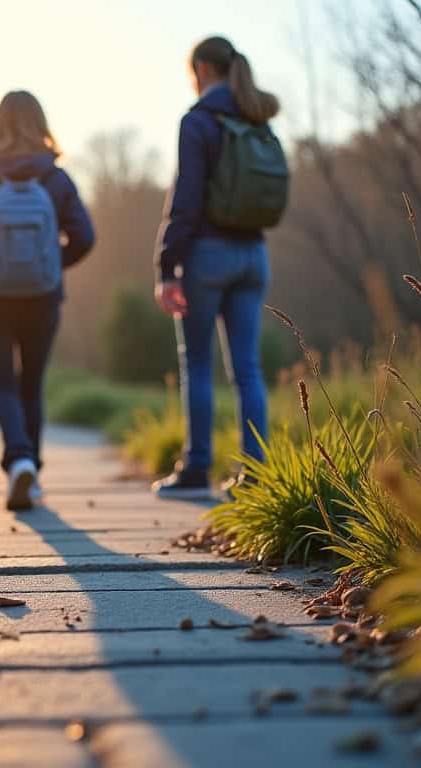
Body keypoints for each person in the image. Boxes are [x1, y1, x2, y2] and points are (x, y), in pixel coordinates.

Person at [0, 90, 95, 511]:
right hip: (43, 295)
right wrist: (52, 263)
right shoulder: (55, 178)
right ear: (40, 124)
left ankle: (19, 459)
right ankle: (32, 471)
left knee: (3, 382)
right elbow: (85, 237)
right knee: (32, 384)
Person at [152, 36, 282, 500]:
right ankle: (257, 475)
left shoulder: (199, 122)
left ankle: (197, 469)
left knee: (200, 364)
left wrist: (168, 266)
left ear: (202, 70)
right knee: (248, 368)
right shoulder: (256, 118)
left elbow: (185, 200)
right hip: (254, 256)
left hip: (208, 255)